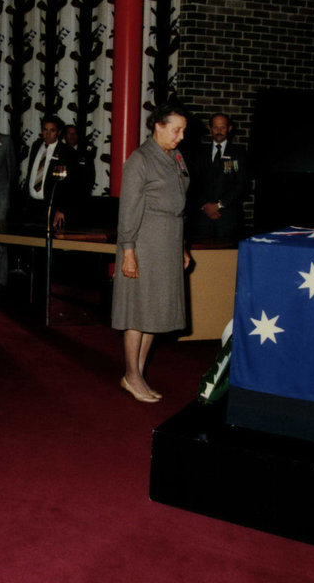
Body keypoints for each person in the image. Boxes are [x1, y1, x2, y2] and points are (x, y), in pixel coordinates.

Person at [111, 104, 192, 403]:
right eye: (176, 129)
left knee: (154, 312)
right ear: (158, 126)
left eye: (183, 130)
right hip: (144, 242)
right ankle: (131, 375)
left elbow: (179, 204)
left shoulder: (176, 157)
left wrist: (182, 246)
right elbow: (128, 210)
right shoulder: (140, 160)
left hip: (168, 242)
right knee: (138, 311)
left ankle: (138, 375)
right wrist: (128, 251)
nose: (181, 136)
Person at [186, 113, 251, 242]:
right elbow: (192, 182)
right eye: (215, 127)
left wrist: (219, 205)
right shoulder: (198, 153)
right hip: (202, 217)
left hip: (228, 217)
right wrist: (205, 205)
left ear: (229, 128)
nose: (219, 131)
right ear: (210, 128)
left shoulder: (239, 153)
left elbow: (241, 185)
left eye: (222, 127)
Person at [20, 116, 77, 231]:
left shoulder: (66, 152)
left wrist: (61, 209)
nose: (48, 134)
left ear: (59, 132)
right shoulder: (36, 146)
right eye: (45, 130)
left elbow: (70, 184)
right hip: (31, 205)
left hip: (52, 207)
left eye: (52, 130)